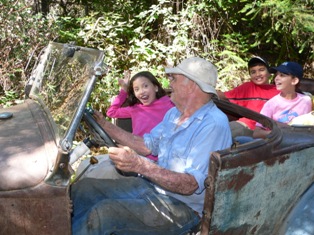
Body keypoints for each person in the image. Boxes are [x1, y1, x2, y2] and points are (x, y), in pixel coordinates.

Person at [71, 57, 232, 234]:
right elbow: (148, 145)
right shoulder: (174, 113)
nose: (169, 84)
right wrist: (105, 125)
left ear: (192, 85)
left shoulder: (213, 124)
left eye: (174, 79)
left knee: (103, 214)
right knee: (84, 188)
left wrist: (140, 165)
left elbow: (190, 185)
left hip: (184, 208)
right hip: (153, 188)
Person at [75, 71, 174, 180]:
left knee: (96, 175)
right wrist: (124, 90)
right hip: (134, 154)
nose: (141, 91)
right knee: (85, 165)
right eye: (137, 89)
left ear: (155, 87)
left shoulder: (170, 104)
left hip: (154, 162)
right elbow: (111, 112)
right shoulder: (135, 109)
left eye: (145, 86)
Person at [217, 56, 279, 138]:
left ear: (269, 72)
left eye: (261, 70)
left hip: (268, 129)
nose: (257, 74)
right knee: (220, 131)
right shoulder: (247, 87)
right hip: (246, 125)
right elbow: (222, 95)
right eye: (253, 72)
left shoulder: (279, 91)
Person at [253, 61, 312, 139]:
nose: (276, 78)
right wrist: (279, 134)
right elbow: (257, 133)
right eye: (276, 75)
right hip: (278, 147)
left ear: (294, 81)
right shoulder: (271, 104)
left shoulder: (306, 101)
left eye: (282, 75)